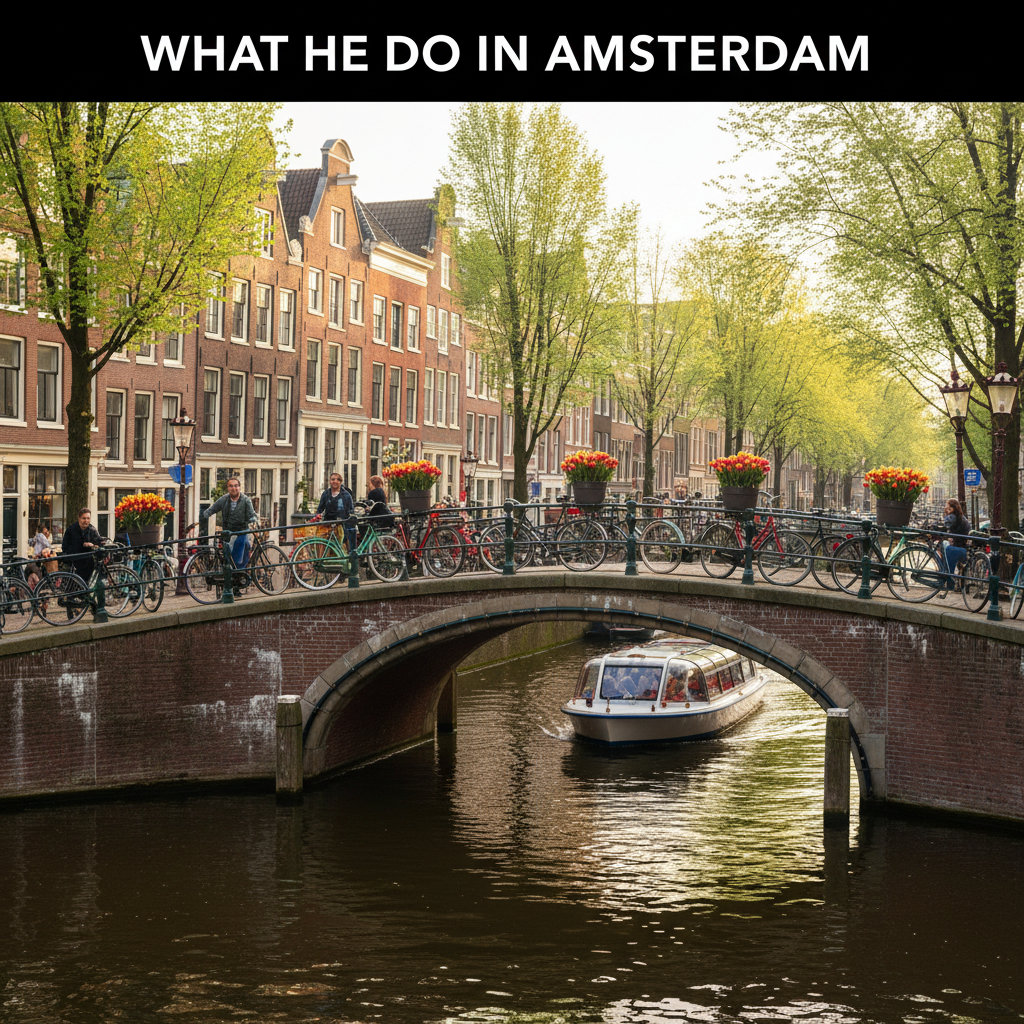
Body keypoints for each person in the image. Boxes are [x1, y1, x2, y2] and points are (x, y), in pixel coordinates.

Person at [200, 476, 259, 570]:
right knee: (227, 554)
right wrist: (204, 515)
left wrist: (253, 518)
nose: (234, 488)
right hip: (228, 532)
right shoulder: (224, 499)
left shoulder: (246, 500)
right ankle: (231, 572)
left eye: (236, 486)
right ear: (228, 488)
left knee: (241, 548)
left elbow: (252, 513)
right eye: (231, 486)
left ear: (239, 487)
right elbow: (212, 509)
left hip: (241, 531)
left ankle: (238, 571)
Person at [313, 472, 356, 553]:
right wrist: (317, 516)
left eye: (338, 480)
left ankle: (347, 560)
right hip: (328, 523)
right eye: (333, 479)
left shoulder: (346, 495)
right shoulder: (326, 494)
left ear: (341, 482)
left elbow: (350, 510)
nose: (335, 481)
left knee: (344, 544)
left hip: (342, 524)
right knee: (323, 542)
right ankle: (321, 560)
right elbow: (320, 508)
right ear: (330, 481)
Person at [60, 508, 103, 582]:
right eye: (84, 518)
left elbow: (100, 543)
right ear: (79, 518)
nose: (86, 521)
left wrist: (92, 545)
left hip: (89, 562)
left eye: (88, 518)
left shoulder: (92, 530)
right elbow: (64, 546)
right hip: (75, 561)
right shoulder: (71, 530)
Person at [940, 497, 972, 596]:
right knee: (945, 546)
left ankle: (948, 578)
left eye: (948, 507)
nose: (946, 508)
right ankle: (947, 575)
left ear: (953, 508)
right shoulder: (960, 516)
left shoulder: (952, 517)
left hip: (961, 550)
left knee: (946, 548)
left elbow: (944, 525)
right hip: (964, 548)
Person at [360, 474, 395, 541]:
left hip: (377, 519)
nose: (368, 485)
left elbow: (370, 505)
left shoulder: (373, 493)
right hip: (384, 518)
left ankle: (364, 543)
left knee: (361, 526)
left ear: (372, 484)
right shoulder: (382, 491)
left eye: (369, 483)